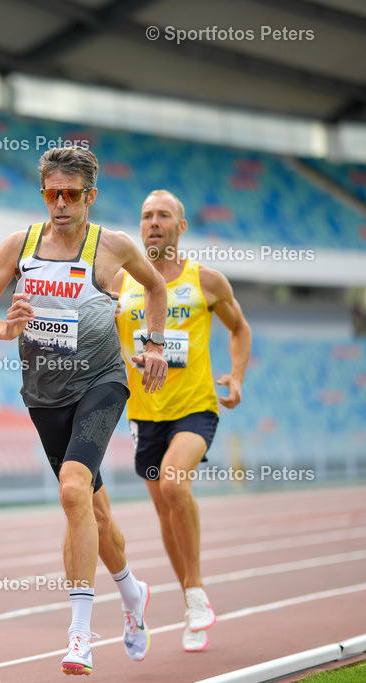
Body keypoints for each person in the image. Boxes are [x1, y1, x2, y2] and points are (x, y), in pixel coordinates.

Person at [0, 146, 168, 676]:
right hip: (43, 394)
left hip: (101, 383)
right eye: (51, 193)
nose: (59, 203)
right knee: (94, 513)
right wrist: (7, 328)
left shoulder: (113, 247)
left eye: (70, 195)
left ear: (90, 197)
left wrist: (153, 344)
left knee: (73, 489)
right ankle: (132, 594)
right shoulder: (20, 245)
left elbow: (156, 286)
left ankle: (79, 635)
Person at [112, 189, 251, 653]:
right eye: (146, 215)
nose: (153, 222)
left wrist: (236, 375)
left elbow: (240, 328)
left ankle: (195, 593)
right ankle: (193, 606)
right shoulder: (119, 282)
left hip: (195, 406)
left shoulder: (205, 281)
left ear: (180, 227)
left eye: (163, 215)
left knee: (174, 485)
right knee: (165, 512)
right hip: (144, 414)